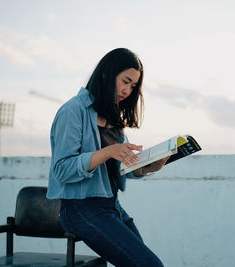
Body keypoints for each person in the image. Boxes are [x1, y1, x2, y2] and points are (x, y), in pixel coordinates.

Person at [46, 48, 167, 267]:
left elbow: (117, 169)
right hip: (80, 207)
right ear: (107, 74)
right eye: (125, 81)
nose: (127, 90)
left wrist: (147, 167)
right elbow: (62, 170)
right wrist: (108, 151)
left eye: (133, 86)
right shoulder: (73, 110)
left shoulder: (113, 119)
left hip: (111, 206)